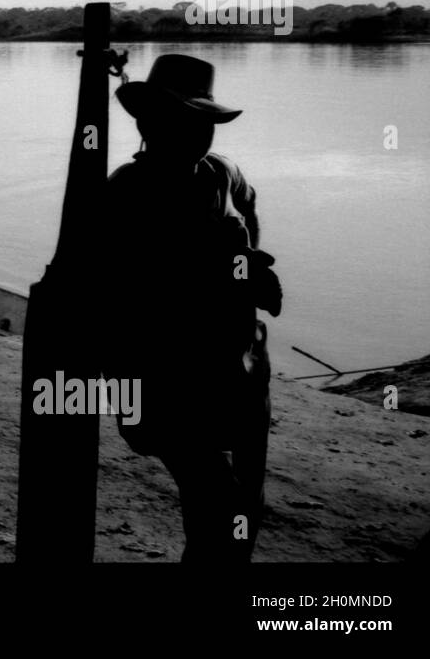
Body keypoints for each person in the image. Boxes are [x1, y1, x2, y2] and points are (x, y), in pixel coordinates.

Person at [104, 54, 281, 562]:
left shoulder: (224, 173)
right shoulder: (125, 191)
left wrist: (245, 271)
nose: (196, 132)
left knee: (245, 504)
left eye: (205, 122)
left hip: (239, 366)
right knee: (217, 498)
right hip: (163, 373)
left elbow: (248, 233)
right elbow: (118, 291)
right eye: (182, 118)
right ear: (148, 122)